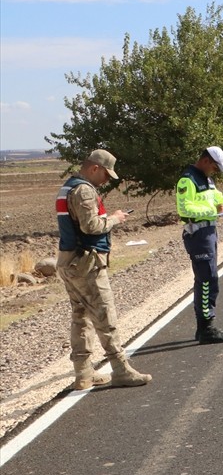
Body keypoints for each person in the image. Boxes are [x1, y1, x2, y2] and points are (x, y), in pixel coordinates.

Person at [55, 149, 152, 390]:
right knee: (105, 316)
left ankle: (83, 374)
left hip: (69, 260)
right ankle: (121, 369)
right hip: (86, 262)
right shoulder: (84, 190)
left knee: (80, 317)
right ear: (94, 168)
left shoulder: (67, 187)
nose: (107, 180)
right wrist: (115, 218)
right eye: (106, 174)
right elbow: (90, 226)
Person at [178, 146, 223, 343]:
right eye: (214, 167)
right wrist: (212, 210)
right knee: (206, 279)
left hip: (209, 232)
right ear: (206, 161)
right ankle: (206, 328)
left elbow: (216, 196)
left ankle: (204, 327)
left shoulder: (206, 179)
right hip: (198, 234)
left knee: (210, 278)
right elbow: (184, 208)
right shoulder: (188, 180)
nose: (215, 171)